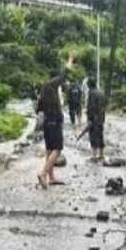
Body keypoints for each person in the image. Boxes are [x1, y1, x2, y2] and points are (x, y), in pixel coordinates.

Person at [36, 54, 75, 188]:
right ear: (55, 78)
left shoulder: (44, 88)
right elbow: (65, 73)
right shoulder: (52, 85)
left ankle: (51, 177)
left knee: (49, 150)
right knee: (57, 150)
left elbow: (39, 107)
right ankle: (43, 174)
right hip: (53, 120)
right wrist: (70, 59)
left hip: (47, 121)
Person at [85, 77, 107, 161]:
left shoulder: (91, 93)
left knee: (93, 136)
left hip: (94, 119)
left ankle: (94, 156)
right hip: (101, 118)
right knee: (100, 135)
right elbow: (104, 104)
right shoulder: (101, 92)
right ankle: (101, 154)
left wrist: (90, 118)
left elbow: (91, 106)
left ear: (89, 84)